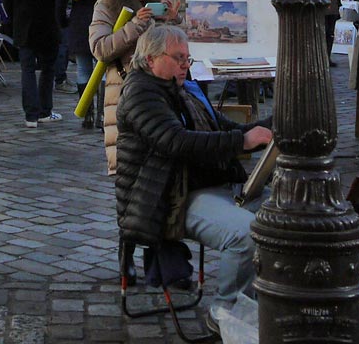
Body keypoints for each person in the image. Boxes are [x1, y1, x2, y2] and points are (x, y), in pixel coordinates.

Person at [115, 25, 272, 325]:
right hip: (163, 198)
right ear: (150, 60)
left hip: (196, 185)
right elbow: (177, 142)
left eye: (187, 58)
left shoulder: (181, 88)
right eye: (178, 58)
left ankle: (254, 302)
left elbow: (220, 128)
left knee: (280, 215)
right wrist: (243, 141)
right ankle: (227, 313)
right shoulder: (140, 92)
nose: (185, 65)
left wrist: (264, 129)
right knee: (247, 234)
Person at [89, 0, 169, 176]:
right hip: (123, 94)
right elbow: (100, 48)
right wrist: (134, 26)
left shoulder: (156, 6)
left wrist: (173, 22)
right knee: (128, 171)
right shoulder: (108, 3)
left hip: (158, 96)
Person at [58, 0, 117, 128]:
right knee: (103, 68)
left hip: (80, 20)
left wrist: (62, 20)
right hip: (105, 19)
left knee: (83, 68)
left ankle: (88, 113)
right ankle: (102, 114)